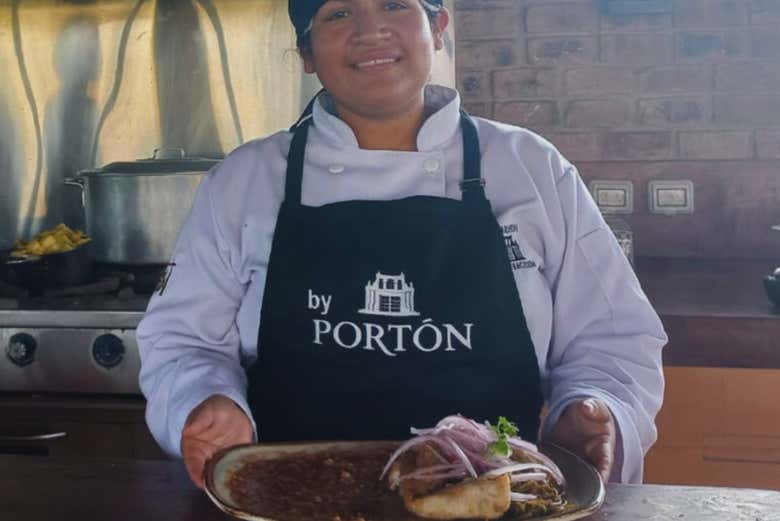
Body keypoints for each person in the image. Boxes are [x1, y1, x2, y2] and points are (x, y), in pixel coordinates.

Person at [137, 0, 667, 490]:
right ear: (305, 53)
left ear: (437, 29)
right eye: (339, 13)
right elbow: (183, 342)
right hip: (290, 498)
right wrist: (204, 402)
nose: (371, 30)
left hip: (496, 500)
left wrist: (597, 407)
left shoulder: (531, 168)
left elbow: (612, 337)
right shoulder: (245, 180)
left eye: (394, 3)